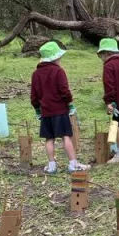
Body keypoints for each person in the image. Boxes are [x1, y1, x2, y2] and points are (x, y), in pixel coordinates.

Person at [30, 41, 90, 174]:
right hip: (60, 110)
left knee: (49, 138)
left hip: (45, 111)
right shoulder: (58, 71)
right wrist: (70, 103)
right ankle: (73, 164)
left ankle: (52, 165)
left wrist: (37, 109)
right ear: (55, 58)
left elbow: (34, 95)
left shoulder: (36, 74)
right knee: (66, 136)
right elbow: (64, 90)